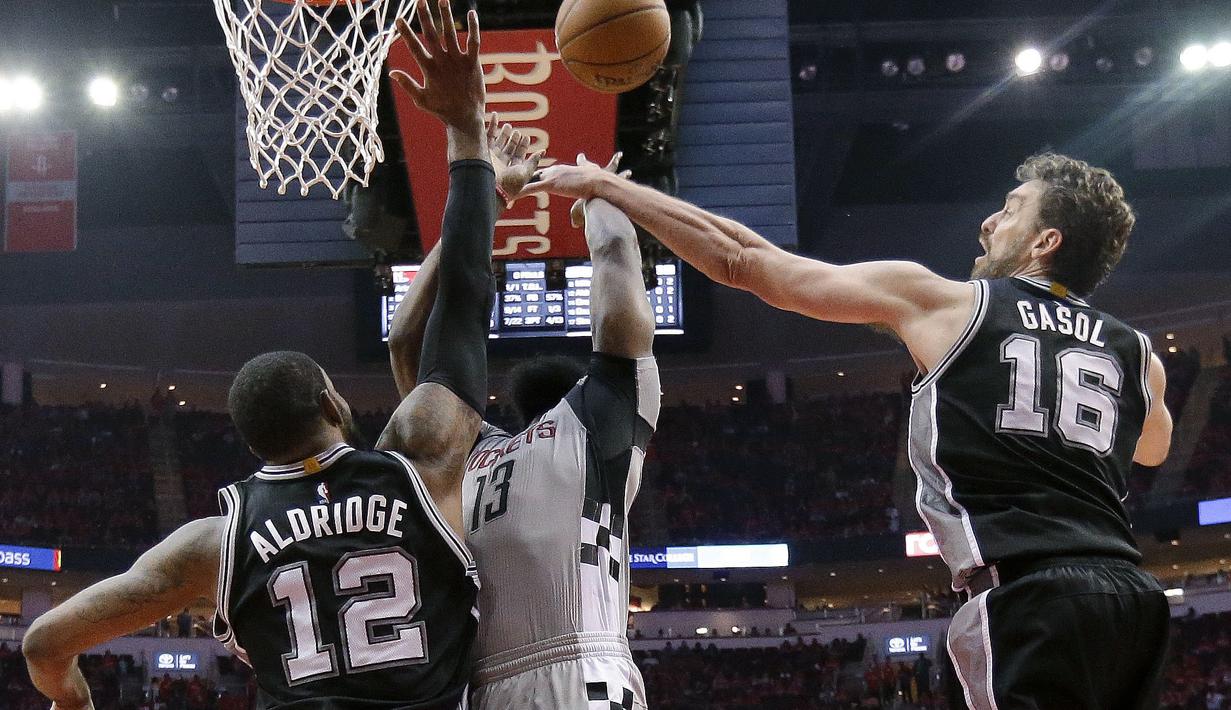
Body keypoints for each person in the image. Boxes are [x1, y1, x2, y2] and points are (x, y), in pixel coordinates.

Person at [527, 152, 1173, 709]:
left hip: (1029, 596)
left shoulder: (947, 302)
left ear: (1044, 243)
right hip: (1132, 600)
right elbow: (1153, 447)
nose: (988, 221)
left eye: (1010, 209)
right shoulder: (1137, 354)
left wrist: (609, 188)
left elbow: (742, 260)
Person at [22, 2, 496, 708]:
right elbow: (463, 298)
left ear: (250, 441)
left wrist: (73, 702)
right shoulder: (420, 465)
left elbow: (42, 646)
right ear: (333, 403)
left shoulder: (214, 541)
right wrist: (467, 129)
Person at [388, 154, 659, 708]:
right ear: (582, 391)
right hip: (585, 674)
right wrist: (601, 197)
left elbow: (404, 342)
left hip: (481, 689)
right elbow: (614, 265)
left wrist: (488, 202)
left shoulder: (464, 451)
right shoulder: (595, 427)